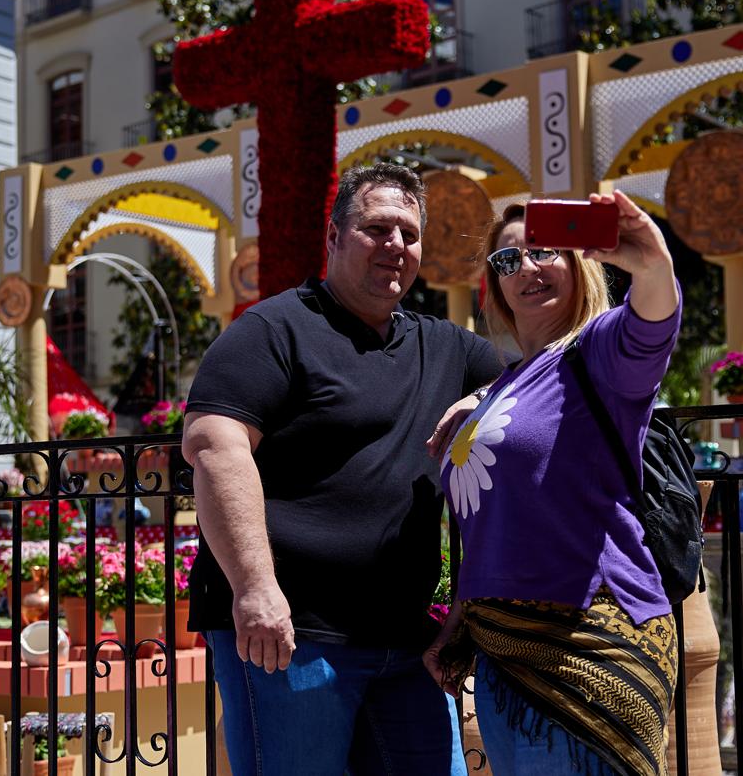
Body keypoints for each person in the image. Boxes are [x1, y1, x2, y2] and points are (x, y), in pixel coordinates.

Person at [182, 162, 503, 776]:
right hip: (288, 636)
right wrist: (254, 589)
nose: (396, 246)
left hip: (407, 642)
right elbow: (216, 447)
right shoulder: (273, 330)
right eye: (376, 228)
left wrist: (482, 398)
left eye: (409, 234)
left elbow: (539, 393)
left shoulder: (449, 348)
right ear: (333, 238)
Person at [424, 191, 682, 776]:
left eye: (544, 252)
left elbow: (650, 326)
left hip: (584, 652)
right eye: (508, 261)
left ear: (579, 263)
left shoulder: (598, 352)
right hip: (501, 655)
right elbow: (497, 524)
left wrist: (652, 264)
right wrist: (458, 622)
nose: (527, 270)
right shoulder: (504, 385)